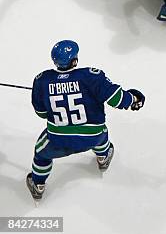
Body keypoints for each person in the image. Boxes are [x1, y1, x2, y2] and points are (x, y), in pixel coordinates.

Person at [26, 40, 145, 201]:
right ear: (74, 60)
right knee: (101, 132)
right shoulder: (91, 76)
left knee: (41, 154)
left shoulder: (42, 81)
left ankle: (38, 184)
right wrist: (133, 99)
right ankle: (103, 156)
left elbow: (41, 113)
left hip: (58, 141)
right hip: (93, 137)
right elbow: (117, 99)